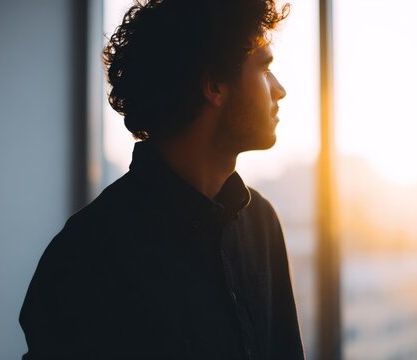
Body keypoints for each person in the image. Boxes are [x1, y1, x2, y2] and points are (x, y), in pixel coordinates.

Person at [19, 0, 305, 358]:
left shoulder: (260, 224)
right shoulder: (85, 256)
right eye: (264, 69)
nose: (279, 90)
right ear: (214, 85)